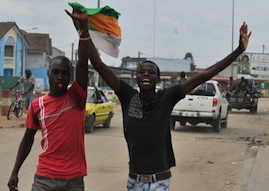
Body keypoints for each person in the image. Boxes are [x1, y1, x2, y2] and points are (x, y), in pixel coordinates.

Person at [75, 9, 250, 190]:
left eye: (151, 72)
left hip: (158, 181)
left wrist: (238, 50)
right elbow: (98, 65)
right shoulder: (128, 96)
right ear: (136, 77)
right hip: (133, 181)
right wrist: (83, 27)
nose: (145, 75)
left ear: (158, 79)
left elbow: (204, 75)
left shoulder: (167, 98)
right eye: (141, 72)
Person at [7, 10, 90, 191]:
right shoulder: (37, 104)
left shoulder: (77, 97)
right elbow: (28, 139)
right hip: (44, 179)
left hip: (74, 180)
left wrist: (83, 28)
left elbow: (83, 63)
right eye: (56, 72)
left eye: (65, 73)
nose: (60, 77)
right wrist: (15, 171)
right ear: (48, 74)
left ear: (71, 77)